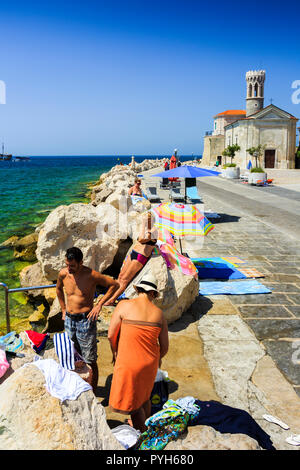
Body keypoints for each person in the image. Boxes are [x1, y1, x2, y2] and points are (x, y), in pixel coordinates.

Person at [108, 273, 169, 432]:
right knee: (144, 397)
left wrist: (115, 353)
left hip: (128, 361)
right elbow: (165, 346)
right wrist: (157, 358)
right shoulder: (159, 314)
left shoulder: (123, 305)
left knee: (132, 403)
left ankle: (142, 433)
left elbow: (110, 335)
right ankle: (145, 424)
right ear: (152, 293)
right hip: (150, 362)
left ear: (139, 290)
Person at [56, 247, 119, 394]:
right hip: (69, 320)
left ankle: (93, 392)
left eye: (72, 265)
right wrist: (63, 309)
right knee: (71, 354)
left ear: (81, 263)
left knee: (89, 358)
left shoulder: (91, 275)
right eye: (67, 264)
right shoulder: (63, 274)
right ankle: (77, 387)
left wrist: (99, 304)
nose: (69, 268)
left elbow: (114, 285)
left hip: (86, 320)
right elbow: (58, 289)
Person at [104, 212, 158, 306]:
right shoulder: (146, 228)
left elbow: (141, 239)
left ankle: (112, 300)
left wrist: (143, 226)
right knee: (120, 276)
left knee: (125, 280)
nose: (143, 221)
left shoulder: (153, 230)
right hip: (134, 253)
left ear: (150, 220)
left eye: (145, 219)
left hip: (140, 257)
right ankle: (110, 295)